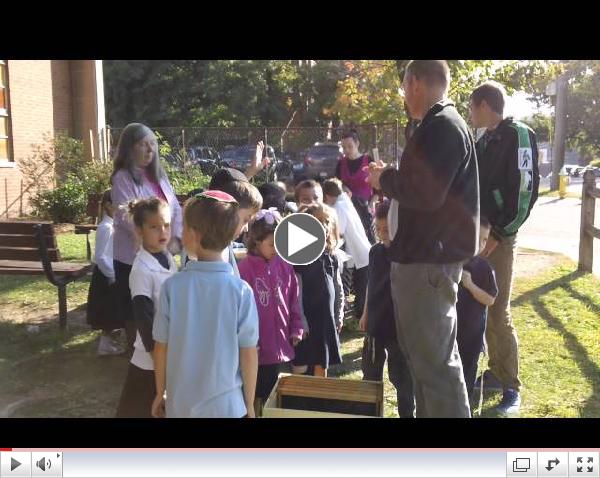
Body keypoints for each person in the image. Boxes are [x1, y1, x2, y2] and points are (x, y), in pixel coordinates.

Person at [368, 60, 479, 418]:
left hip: (428, 265)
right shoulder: (434, 125)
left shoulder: (443, 126)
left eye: (403, 85)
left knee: (437, 368)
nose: (403, 94)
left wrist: (385, 178)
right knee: (425, 364)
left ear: (415, 82)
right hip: (421, 262)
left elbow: (425, 193)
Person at [152, 191, 259, 418]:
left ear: (192, 234)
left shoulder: (172, 288)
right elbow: (249, 353)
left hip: (181, 407)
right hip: (228, 408)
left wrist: (160, 392)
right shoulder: (241, 292)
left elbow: (161, 347)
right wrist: (249, 403)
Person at [469, 81, 539, 415]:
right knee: (479, 308)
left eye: (472, 107)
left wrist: (498, 233)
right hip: (476, 234)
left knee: (498, 310)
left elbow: (524, 192)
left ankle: (511, 385)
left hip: (500, 237)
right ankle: (495, 371)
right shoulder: (482, 139)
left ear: (484, 105)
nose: (470, 114)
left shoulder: (519, 134)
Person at [111, 123, 182, 350]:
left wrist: (175, 239)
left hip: (163, 252)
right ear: (129, 149)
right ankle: (139, 353)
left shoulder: (160, 177)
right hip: (134, 258)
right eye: (143, 144)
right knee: (138, 310)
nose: (150, 149)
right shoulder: (123, 178)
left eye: (152, 143)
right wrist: (152, 241)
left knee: (160, 303)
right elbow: (125, 216)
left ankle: (161, 349)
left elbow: (176, 210)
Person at [116, 198, 177, 417]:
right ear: (140, 230)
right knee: (140, 409)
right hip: (150, 358)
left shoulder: (168, 258)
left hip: (168, 350)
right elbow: (143, 318)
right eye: (154, 227)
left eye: (166, 225)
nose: (163, 231)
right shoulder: (142, 269)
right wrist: (157, 356)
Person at [238, 209, 304, 405]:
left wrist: (297, 327)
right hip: (257, 347)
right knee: (256, 393)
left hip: (281, 343)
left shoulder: (285, 265)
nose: (277, 248)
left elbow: (294, 299)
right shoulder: (244, 270)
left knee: (277, 394)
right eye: (272, 243)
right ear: (257, 241)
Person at [359, 200, 415, 418]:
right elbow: (371, 285)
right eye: (379, 229)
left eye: (388, 229)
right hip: (376, 323)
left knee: (401, 377)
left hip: (398, 327)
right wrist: (365, 313)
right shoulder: (375, 252)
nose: (383, 235)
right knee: (371, 372)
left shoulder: (408, 256)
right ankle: (370, 412)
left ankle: (407, 414)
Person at [292, 203, 344, 377]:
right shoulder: (300, 258)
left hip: (325, 319)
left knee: (323, 360)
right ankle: (298, 401)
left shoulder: (331, 255)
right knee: (302, 362)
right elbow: (297, 291)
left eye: (326, 221)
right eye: (316, 221)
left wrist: (338, 314)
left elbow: (337, 286)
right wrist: (301, 321)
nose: (323, 225)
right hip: (306, 319)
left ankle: (320, 401)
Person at [456, 216, 498, 400]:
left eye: (484, 240)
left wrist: (470, 285)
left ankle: (464, 408)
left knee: (467, 374)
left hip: (471, 335)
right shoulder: (451, 262)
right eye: (475, 238)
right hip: (449, 331)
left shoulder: (483, 268)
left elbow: (490, 299)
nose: (480, 244)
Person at [323, 178, 370, 321]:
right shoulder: (345, 201)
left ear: (327, 196)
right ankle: (360, 315)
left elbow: (340, 231)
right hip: (361, 251)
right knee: (361, 287)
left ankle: (362, 317)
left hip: (359, 254)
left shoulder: (339, 206)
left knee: (362, 289)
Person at [86, 189, 124, 356]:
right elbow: (101, 257)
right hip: (106, 276)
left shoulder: (114, 225)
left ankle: (106, 344)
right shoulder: (105, 227)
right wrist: (113, 276)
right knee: (107, 313)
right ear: (108, 205)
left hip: (111, 274)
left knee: (112, 312)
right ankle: (105, 345)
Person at [336, 129, 376, 243]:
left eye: (350, 146)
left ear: (357, 144)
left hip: (366, 209)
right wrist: (343, 188)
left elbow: (378, 188)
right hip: (347, 210)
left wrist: (372, 204)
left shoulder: (368, 160)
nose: (346, 150)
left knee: (368, 241)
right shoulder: (341, 163)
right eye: (344, 147)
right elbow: (336, 183)